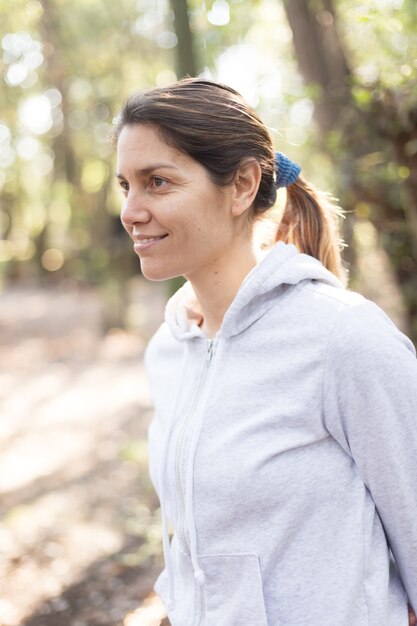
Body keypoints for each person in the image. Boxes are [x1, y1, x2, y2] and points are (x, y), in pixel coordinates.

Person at [114, 77, 417, 626]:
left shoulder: (344, 342)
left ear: (242, 185)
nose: (131, 211)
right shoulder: (170, 347)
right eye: (125, 186)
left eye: (157, 182)